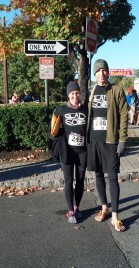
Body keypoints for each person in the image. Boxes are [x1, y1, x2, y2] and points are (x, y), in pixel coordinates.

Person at [87, 59, 128, 232]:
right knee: (98, 175)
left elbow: (124, 115)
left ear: (108, 73)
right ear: (95, 74)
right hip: (94, 140)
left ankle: (115, 216)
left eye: (104, 71)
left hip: (110, 141)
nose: (101, 74)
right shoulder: (92, 90)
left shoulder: (116, 90)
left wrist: (123, 140)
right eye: (98, 71)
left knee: (112, 177)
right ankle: (104, 207)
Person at [51, 81, 87, 224]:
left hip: (82, 151)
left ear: (80, 94)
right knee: (68, 181)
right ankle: (70, 210)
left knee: (80, 180)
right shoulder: (61, 110)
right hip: (67, 152)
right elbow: (52, 131)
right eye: (72, 94)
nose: (75, 96)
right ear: (68, 95)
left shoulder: (85, 110)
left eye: (77, 93)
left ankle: (77, 207)